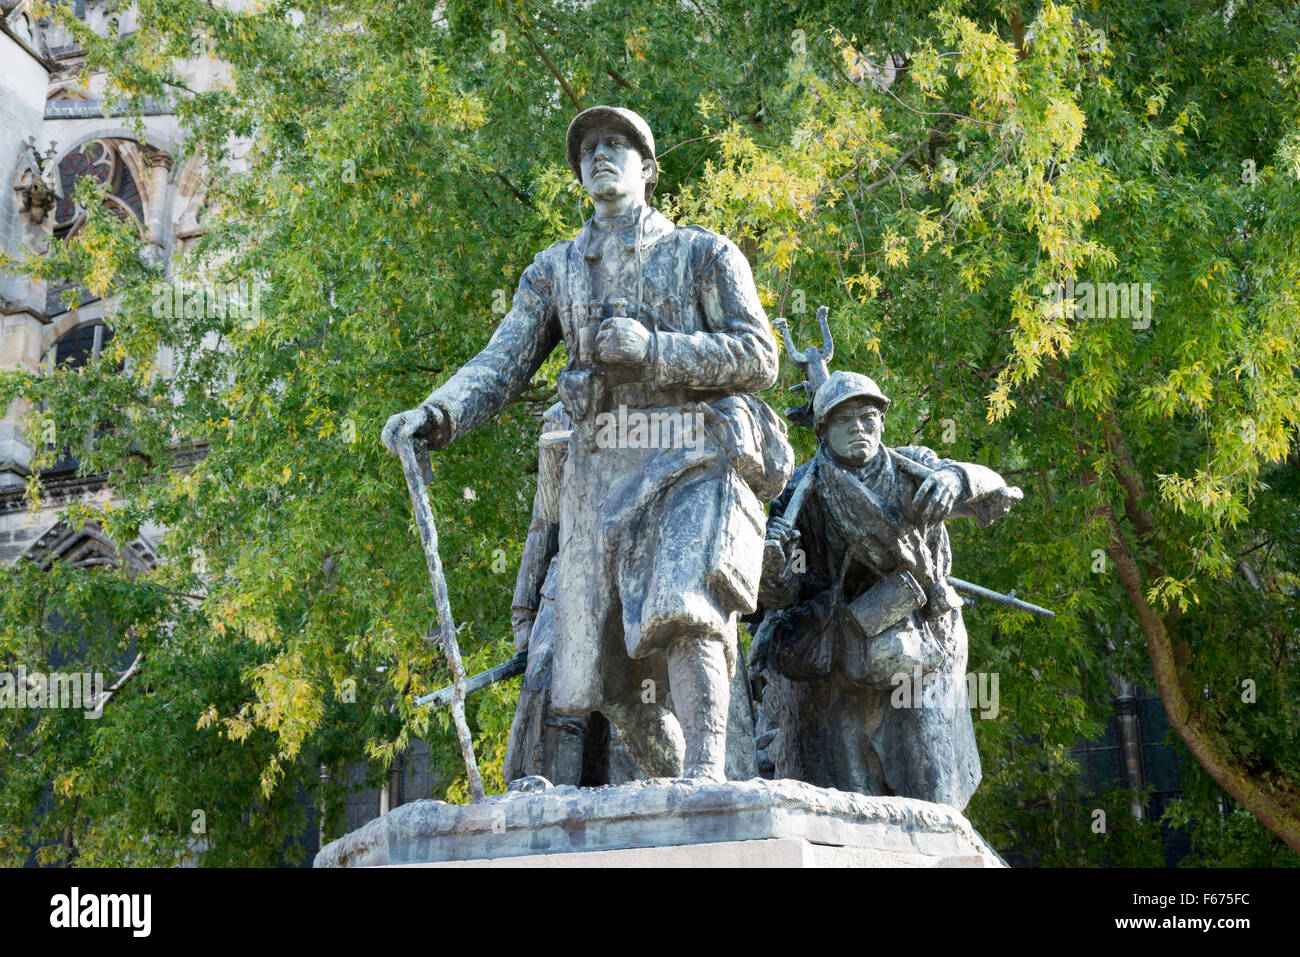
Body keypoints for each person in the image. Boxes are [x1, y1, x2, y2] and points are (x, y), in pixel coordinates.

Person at [383, 106, 790, 782]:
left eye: (619, 144)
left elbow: (758, 355)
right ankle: (673, 787)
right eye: (590, 148)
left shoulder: (703, 252)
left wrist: (655, 349)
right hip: (599, 472)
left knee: (686, 610)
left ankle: (707, 782)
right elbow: (503, 361)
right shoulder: (557, 270)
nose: (602, 155)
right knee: (605, 682)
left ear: (650, 169)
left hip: (692, 453)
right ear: (578, 172)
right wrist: (439, 410)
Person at [755, 371, 1013, 808]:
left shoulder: (913, 467)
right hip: (839, 645)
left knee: (931, 774)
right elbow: (776, 597)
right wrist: (774, 566)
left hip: (922, 634)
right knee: (844, 787)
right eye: (844, 421)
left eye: (868, 417)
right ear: (822, 431)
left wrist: (956, 478)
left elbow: (996, 489)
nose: (859, 428)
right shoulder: (799, 491)